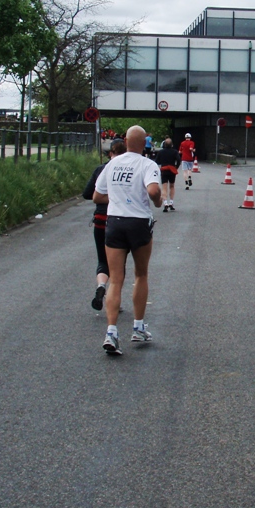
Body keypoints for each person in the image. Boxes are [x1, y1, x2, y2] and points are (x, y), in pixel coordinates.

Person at [93, 125, 163, 356]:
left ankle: (111, 332)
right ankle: (138, 327)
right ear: (145, 144)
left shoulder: (112, 164)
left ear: (125, 140)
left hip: (114, 222)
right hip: (138, 222)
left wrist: (116, 197)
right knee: (140, 274)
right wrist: (158, 201)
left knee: (116, 279)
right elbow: (153, 191)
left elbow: (96, 195)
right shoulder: (148, 165)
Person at [83, 138, 127, 311]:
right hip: (118, 220)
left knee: (102, 259)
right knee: (119, 262)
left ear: (110, 153)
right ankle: (114, 299)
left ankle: (101, 285)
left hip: (100, 220)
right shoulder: (128, 170)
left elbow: (87, 194)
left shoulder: (101, 169)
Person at [154, 138, 181, 212]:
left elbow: (156, 161)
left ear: (164, 144)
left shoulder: (161, 152)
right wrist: (176, 167)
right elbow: (178, 159)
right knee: (172, 186)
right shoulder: (175, 152)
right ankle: (171, 202)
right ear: (172, 144)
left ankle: (165, 203)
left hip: (164, 170)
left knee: (164, 187)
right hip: (172, 170)